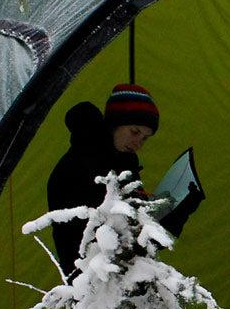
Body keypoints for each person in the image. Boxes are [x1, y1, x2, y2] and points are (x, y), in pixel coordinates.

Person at [46, 83, 162, 276]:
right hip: (92, 280)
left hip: (120, 274)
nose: (138, 143)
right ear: (115, 124)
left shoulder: (123, 160)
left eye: (145, 138)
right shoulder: (79, 166)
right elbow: (110, 237)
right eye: (135, 132)